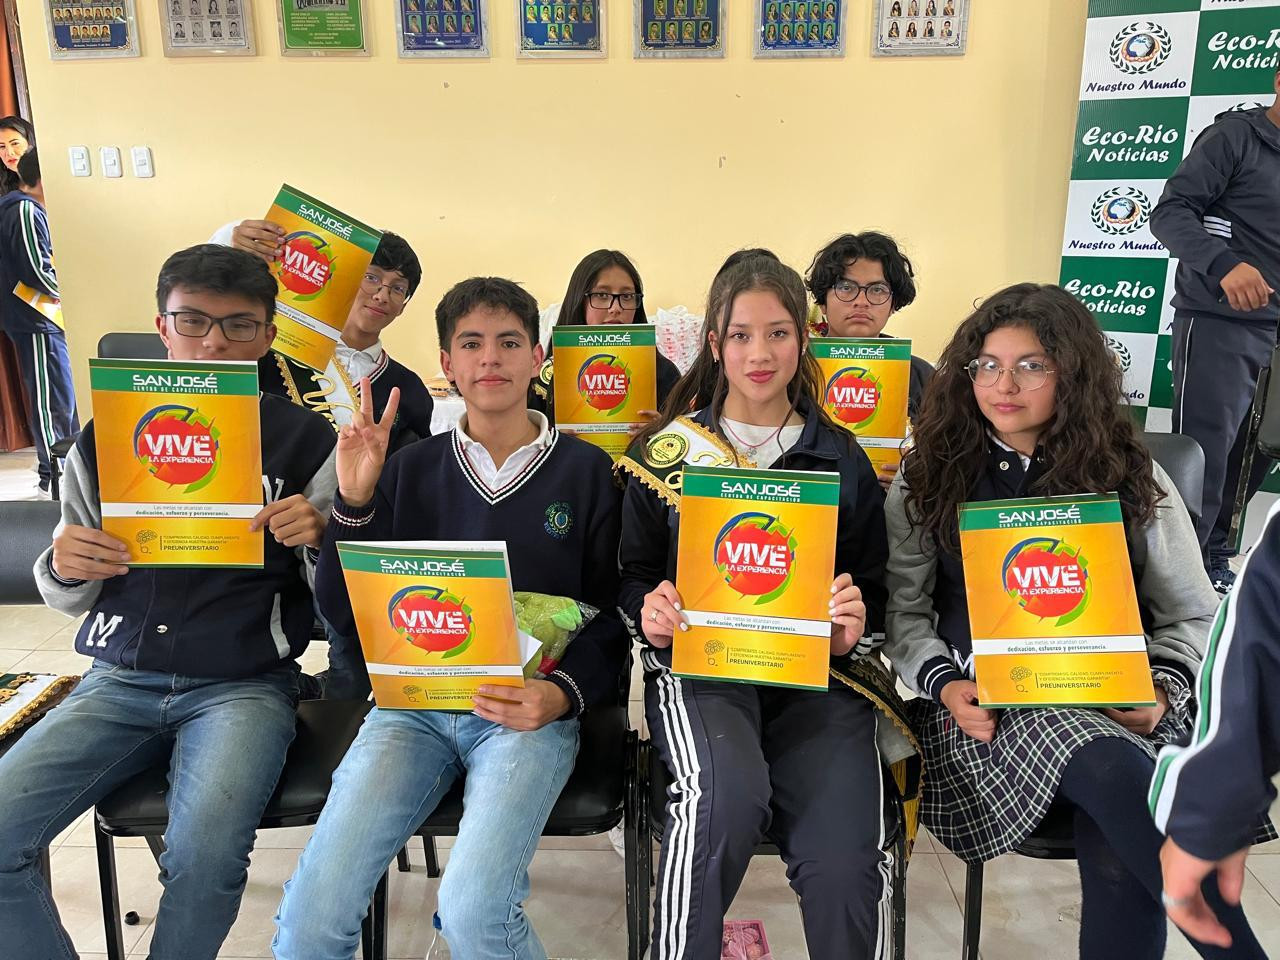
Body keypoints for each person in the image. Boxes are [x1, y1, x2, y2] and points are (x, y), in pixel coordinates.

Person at [881, 282, 1269, 960]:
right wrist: (944, 684)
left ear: (1073, 373)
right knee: (1119, 778)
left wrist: (1164, 688)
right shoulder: (928, 475)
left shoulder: (1129, 472)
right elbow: (905, 615)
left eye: (1031, 365)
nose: (1004, 385)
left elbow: (1192, 611)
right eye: (988, 365)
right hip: (984, 718)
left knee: (1117, 842)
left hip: (1123, 704)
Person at [271, 276, 626, 959]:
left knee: (473, 914)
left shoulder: (587, 472)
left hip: (523, 713)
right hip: (411, 713)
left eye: (509, 342)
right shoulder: (407, 469)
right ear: (446, 362)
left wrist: (560, 694)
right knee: (310, 920)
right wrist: (354, 503)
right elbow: (344, 616)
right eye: (471, 344)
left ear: (538, 357)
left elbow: (611, 617)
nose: (490, 358)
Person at [0, 245, 337, 960]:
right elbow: (69, 587)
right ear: (163, 327)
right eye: (193, 321)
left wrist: (321, 542)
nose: (214, 341)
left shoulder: (308, 440)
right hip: (119, 679)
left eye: (239, 325)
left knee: (206, 858)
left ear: (268, 335)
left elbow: (339, 605)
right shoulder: (106, 435)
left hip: (244, 685)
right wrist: (63, 564)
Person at [617, 257, 918, 960]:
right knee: (721, 804)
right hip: (701, 672)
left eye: (778, 333)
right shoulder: (664, 452)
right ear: (714, 344)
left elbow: (873, 589)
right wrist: (651, 610)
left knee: (845, 855)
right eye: (741, 335)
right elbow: (631, 578)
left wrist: (853, 622)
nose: (760, 353)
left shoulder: (840, 458)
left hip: (819, 680)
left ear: (803, 340)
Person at [214, 220, 433, 700]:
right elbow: (209, 351)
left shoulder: (408, 387)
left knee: (361, 652)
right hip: (265, 531)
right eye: (371, 277)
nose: (382, 294)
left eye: (398, 288)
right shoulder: (271, 358)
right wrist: (229, 242)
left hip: (356, 542)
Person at [1149, 69, 1280, 593]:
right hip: (1220, 323)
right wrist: (1224, 264)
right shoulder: (1235, 137)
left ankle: (1215, 559)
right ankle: (1177, 580)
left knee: (1256, 454)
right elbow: (1169, 213)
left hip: (1276, 333)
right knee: (1203, 455)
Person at [1150, 500, 1280, 950]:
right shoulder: (951, 476)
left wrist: (1163, 684)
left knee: (1120, 779)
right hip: (988, 702)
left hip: (1142, 689)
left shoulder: (1136, 478)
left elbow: (1201, 614)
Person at [805, 231, 934, 489]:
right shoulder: (795, 369)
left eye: (877, 290)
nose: (861, 302)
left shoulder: (922, 377)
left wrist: (917, 474)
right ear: (823, 301)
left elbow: (948, 455)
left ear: (893, 303)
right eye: (846, 288)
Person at [0, 147, 78, 497]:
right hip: (36, 318)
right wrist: (72, 295)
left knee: (62, 396)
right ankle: (53, 476)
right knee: (51, 402)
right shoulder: (25, 210)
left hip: (44, 318)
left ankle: (66, 471)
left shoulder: (27, 209)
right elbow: (35, 270)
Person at [529, 249, 682, 423]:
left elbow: (687, 435)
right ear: (579, 300)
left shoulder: (663, 373)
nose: (615, 308)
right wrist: (553, 434)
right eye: (602, 295)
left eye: (627, 296)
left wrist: (663, 429)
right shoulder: (544, 377)